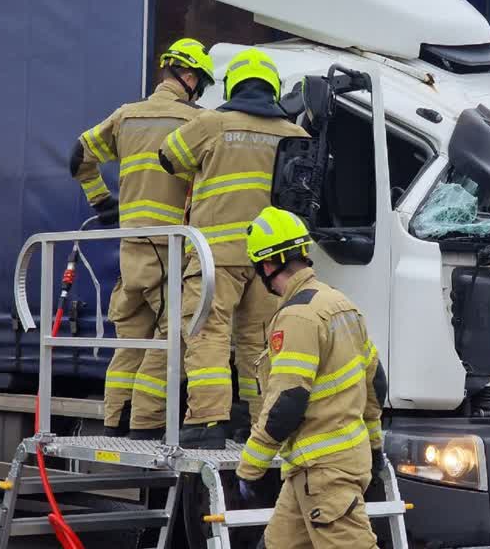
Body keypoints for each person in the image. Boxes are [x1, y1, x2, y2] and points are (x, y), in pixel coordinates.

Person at [158, 48, 310, 449]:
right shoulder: (295, 134)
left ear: (233, 84)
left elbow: (168, 157)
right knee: (259, 342)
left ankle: (207, 423)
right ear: (273, 87)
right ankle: (261, 422)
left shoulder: (212, 123)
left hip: (214, 257)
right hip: (270, 260)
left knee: (207, 333)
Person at [70, 38, 214, 438]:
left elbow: (77, 157)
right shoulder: (195, 123)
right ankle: (146, 426)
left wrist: (102, 202)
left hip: (131, 248)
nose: (198, 91)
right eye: (199, 83)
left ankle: (114, 421)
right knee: (176, 340)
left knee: (130, 342)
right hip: (170, 248)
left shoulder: (126, 117)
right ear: (187, 77)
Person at [236, 206, 384, 549]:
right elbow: (376, 384)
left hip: (324, 473)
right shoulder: (342, 304)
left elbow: (287, 402)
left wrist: (250, 467)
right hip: (314, 471)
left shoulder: (297, 317)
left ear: (268, 265)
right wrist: (375, 446)